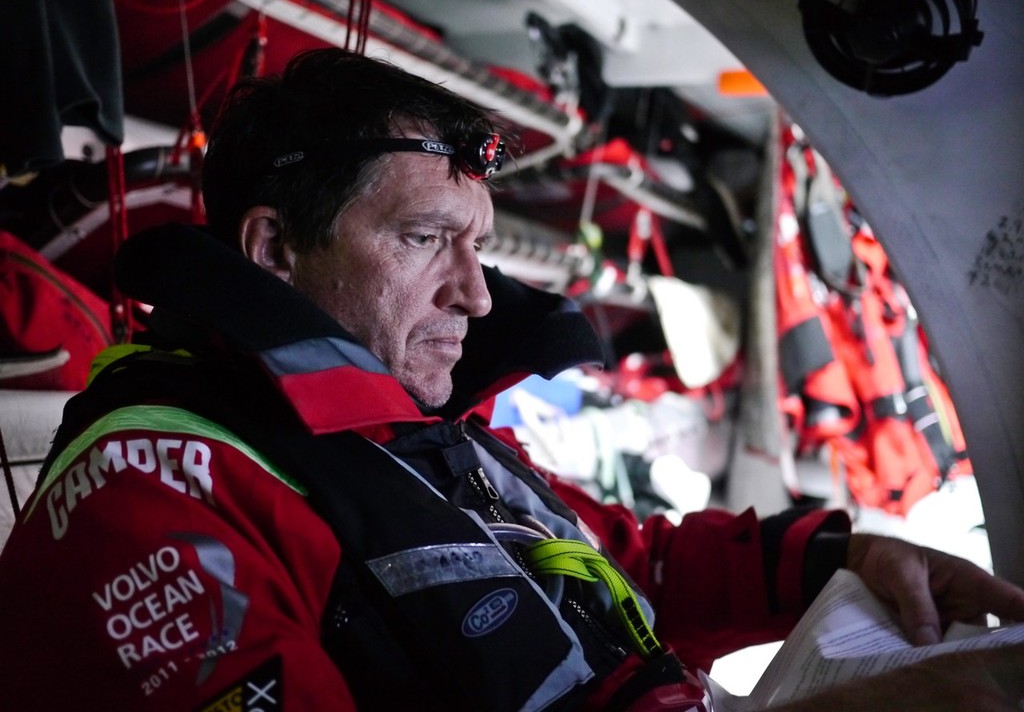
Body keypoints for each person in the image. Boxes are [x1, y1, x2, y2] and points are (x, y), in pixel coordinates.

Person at [0, 47, 1021, 711]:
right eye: (425, 238)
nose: (478, 297)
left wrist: (838, 561)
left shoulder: (416, 440)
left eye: (478, 248)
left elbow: (615, 562)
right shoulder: (152, 499)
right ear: (272, 250)